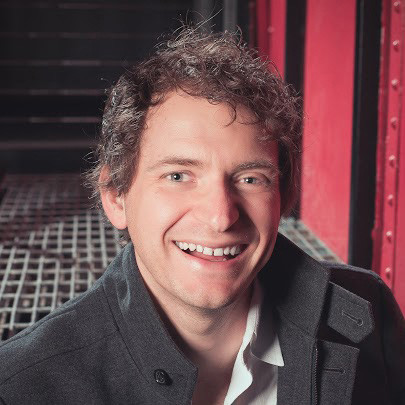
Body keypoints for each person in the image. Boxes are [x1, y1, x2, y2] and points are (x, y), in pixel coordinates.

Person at [0, 26, 404, 405]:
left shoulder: (369, 312)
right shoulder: (20, 386)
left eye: (250, 178)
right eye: (178, 176)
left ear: (285, 196)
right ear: (116, 196)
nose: (220, 217)